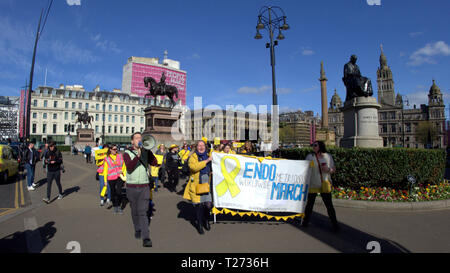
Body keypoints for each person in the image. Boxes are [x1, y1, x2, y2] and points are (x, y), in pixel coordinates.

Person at [123, 132, 158, 247]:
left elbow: (155, 163)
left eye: (140, 138)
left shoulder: (145, 152)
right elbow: (129, 167)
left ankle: (146, 237)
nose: (139, 139)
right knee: (134, 210)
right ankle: (137, 228)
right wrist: (138, 156)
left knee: (143, 212)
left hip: (144, 186)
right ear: (132, 141)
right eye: (137, 138)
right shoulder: (127, 153)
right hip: (131, 186)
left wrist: (148, 152)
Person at [303, 141, 339, 231]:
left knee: (329, 205)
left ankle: (335, 224)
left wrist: (329, 169)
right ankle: (305, 221)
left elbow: (333, 169)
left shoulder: (327, 156)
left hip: (324, 183)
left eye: (315, 145)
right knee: (309, 205)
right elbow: (304, 168)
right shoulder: (310, 156)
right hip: (313, 183)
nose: (313, 147)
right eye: (313, 145)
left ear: (320, 146)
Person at [183, 140, 213, 235]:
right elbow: (194, 167)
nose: (201, 147)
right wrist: (207, 161)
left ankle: (206, 220)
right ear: (196, 147)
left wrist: (212, 171)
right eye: (199, 145)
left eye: (202, 145)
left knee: (208, 205)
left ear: (205, 147)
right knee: (199, 206)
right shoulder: (193, 156)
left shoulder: (209, 155)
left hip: (207, 183)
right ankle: (199, 224)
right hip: (196, 184)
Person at [102, 144, 126, 214]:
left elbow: (124, 164)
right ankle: (115, 206)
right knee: (113, 192)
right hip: (111, 177)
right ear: (111, 150)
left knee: (119, 191)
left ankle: (119, 206)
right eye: (114, 149)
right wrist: (105, 180)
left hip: (120, 176)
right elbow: (105, 170)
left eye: (116, 149)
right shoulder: (107, 158)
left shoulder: (120, 156)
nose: (116, 150)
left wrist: (123, 170)